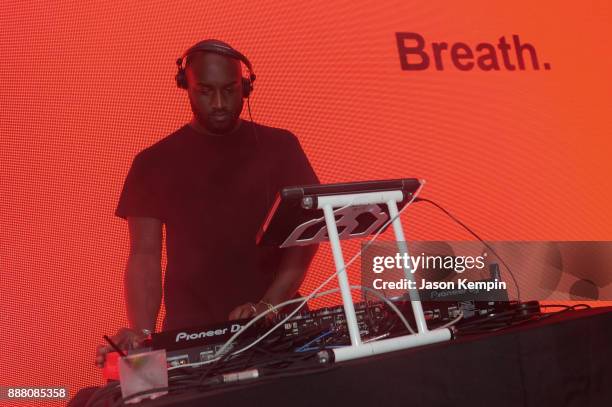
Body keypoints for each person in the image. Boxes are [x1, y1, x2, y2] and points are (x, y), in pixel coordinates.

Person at [95, 39, 319, 368]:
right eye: (205, 91)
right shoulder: (153, 163)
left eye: (229, 90)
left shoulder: (281, 146)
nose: (218, 103)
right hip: (191, 332)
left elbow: (306, 236)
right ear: (186, 86)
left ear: (245, 87)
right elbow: (144, 256)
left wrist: (269, 305)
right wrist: (142, 332)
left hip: (278, 326)